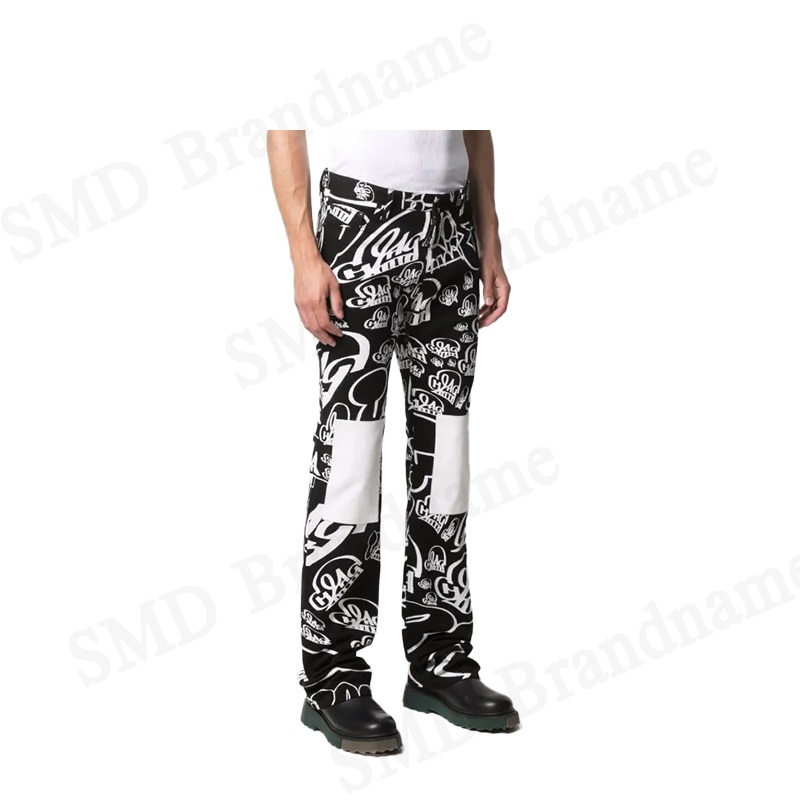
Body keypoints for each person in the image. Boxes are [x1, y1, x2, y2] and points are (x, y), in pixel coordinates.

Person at [267, 130, 517, 755]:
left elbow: (476, 124)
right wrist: (304, 254)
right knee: (350, 464)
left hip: (452, 229)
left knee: (445, 459)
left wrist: (489, 237)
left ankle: (441, 661)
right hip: (360, 223)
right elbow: (283, 123)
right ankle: (333, 678)